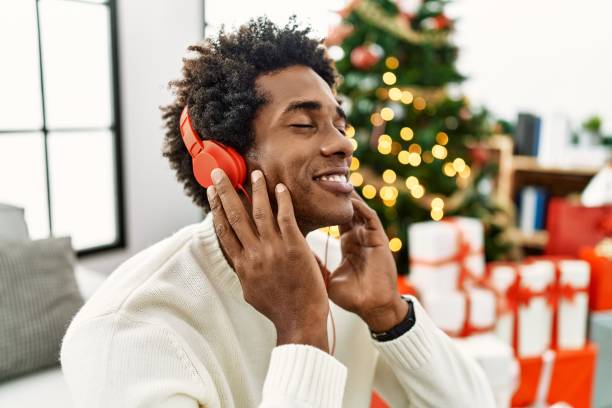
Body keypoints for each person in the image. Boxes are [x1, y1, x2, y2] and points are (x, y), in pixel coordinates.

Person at [60, 17, 494, 408]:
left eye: (340, 126)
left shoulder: (337, 269)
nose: (345, 144)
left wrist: (388, 314)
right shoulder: (125, 332)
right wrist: (301, 331)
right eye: (304, 124)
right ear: (220, 162)